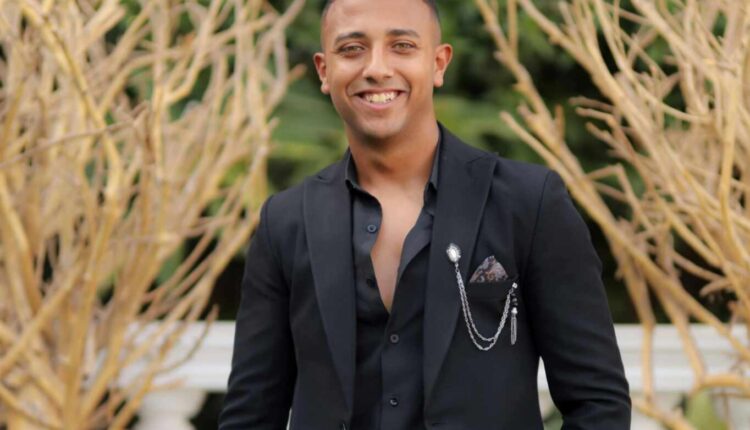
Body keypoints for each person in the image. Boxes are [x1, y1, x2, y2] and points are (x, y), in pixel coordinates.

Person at [218, 0, 631, 428]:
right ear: (324, 70)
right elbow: (250, 415)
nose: (376, 68)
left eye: (401, 46)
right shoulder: (285, 223)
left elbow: (597, 401)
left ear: (438, 63)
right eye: (352, 49)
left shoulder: (529, 203)